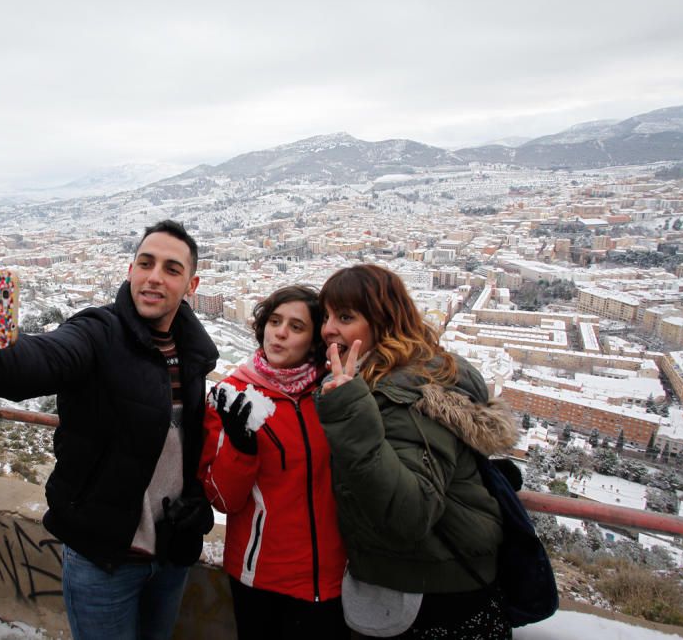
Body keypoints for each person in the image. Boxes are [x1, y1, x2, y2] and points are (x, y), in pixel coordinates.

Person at [0, 219, 219, 640]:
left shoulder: (193, 354)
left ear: (191, 285)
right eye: (145, 263)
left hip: (172, 554)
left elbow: (184, 445)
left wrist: (195, 500)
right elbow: (39, 358)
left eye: (172, 269)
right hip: (104, 562)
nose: (154, 277)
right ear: (130, 270)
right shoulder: (99, 333)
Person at [315, 265, 518, 639]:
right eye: (325, 316)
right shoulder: (406, 373)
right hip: (437, 580)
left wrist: (349, 408)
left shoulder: (404, 391)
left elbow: (408, 515)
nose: (328, 328)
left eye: (345, 317)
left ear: (384, 320)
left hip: (432, 596)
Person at [199, 285, 348, 639]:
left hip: (332, 577)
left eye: (296, 327)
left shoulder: (334, 391)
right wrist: (241, 450)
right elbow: (222, 499)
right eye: (275, 321)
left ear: (314, 340)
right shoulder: (232, 395)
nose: (280, 332)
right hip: (263, 578)